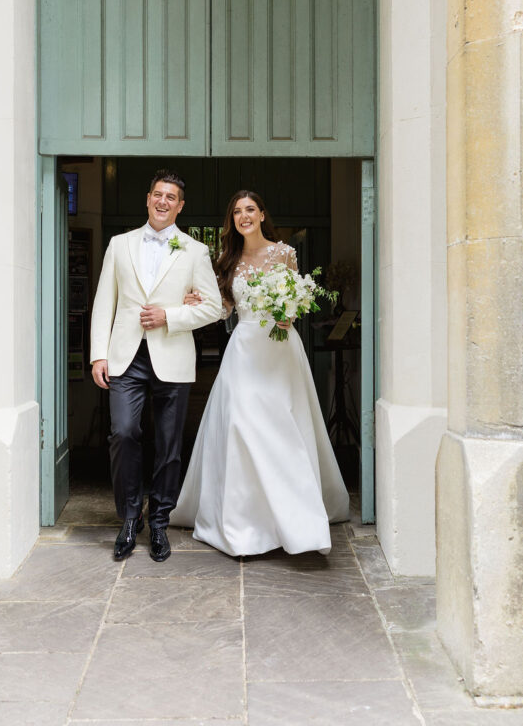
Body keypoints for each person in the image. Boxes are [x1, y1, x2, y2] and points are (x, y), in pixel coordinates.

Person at [171, 190, 349, 556]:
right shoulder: (227, 259)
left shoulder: (285, 253)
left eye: (250, 209)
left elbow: (296, 299)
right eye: (237, 211)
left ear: (263, 214)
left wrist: (290, 314)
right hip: (244, 351)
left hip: (281, 349)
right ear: (232, 220)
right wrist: (199, 303)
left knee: (284, 431)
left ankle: (295, 522)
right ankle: (242, 524)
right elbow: (223, 308)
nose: (243, 216)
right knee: (240, 427)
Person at [90, 169, 222, 562]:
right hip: (125, 356)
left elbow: (214, 308)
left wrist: (171, 316)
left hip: (173, 356)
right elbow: (104, 302)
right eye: (158, 195)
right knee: (124, 433)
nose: (163, 202)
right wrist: (99, 353)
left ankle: (160, 521)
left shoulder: (195, 251)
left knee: (169, 445)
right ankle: (130, 518)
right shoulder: (119, 244)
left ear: (180, 206)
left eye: (171, 197)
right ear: (148, 198)